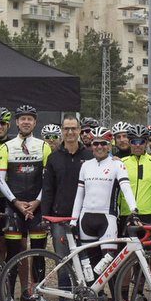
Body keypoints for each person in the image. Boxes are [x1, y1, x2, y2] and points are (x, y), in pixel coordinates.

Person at [71, 127, 139, 301]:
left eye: (103, 143)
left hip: (107, 219)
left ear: (109, 145)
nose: (99, 146)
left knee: (110, 263)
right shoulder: (86, 166)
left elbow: (126, 188)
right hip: (86, 218)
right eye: (96, 143)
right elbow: (79, 194)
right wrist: (74, 219)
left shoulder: (117, 164)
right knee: (91, 264)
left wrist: (134, 210)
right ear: (91, 145)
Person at [0, 105, 51, 301]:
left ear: (35, 123)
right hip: (14, 208)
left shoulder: (44, 147)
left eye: (30, 119)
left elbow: (48, 180)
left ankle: (39, 295)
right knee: (13, 253)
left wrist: (37, 202)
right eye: (22, 118)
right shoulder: (6, 147)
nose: (26, 122)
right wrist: (15, 202)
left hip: (37, 207)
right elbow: (0, 179)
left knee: (39, 253)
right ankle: (8, 296)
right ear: (16, 122)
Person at [41, 115, 93, 282]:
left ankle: (88, 293)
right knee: (63, 260)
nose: (70, 132)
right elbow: (48, 189)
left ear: (79, 130)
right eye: (66, 129)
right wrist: (45, 216)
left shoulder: (90, 156)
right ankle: (65, 294)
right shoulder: (53, 158)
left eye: (73, 128)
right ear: (62, 131)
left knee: (87, 259)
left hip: (84, 217)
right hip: (60, 218)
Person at [120, 124, 151, 226]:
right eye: (134, 142)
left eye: (141, 141)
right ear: (129, 143)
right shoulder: (121, 163)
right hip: (126, 214)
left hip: (148, 215)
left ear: (146, 143)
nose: (137, 145)